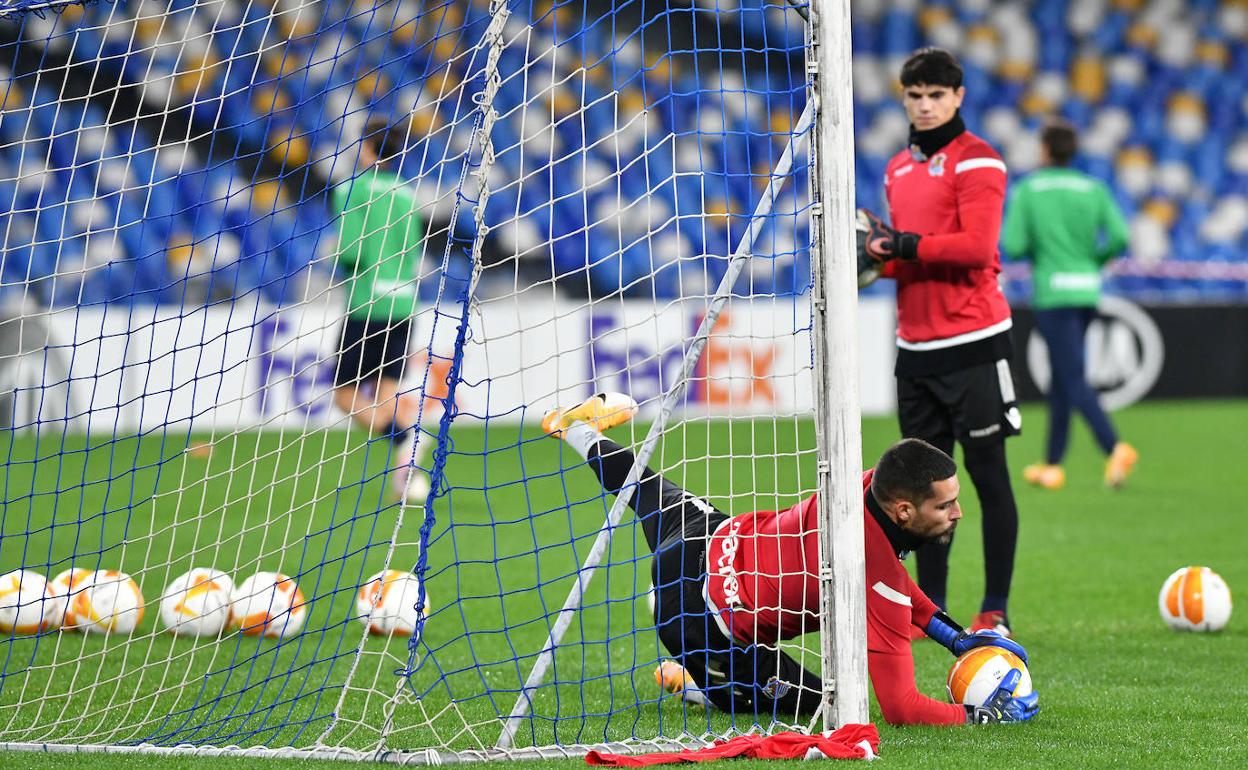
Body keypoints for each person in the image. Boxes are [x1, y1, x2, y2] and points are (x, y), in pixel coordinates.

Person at [541, 392, 1040, 726]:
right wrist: (978, 716)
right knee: (823, 705)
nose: (958, 512)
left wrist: (952, 636)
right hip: (694, 619)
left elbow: (893, 573)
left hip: (708, 539)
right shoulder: (878, 581)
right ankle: (697, 679)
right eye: (946, 505)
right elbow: (902, 708)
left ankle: (574, 429)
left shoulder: (866, 482)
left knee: (643, 487)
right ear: (904, 511)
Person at [855, 48, 1021, 636]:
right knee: (925, 489)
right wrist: (872, 261)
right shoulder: (898, 168)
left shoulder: (980, 162)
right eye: (914, 95)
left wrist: (896, 246)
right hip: (916, 350)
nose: (924, 105)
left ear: (958, 98)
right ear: (904, 98)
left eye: (936, 95)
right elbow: (916, 255)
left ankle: (994, 610)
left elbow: (975, 248)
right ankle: (933, 611)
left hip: (975, 341)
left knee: (988, 476)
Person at [1001, 119, 1138, 491]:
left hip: (1053, 291)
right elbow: (1121, 236)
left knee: (1071, 377)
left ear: (1045, 149)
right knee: (1064, 377)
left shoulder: (1029, 189)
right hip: (1087, 290)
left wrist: (1042, 249)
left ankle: (1114, 445)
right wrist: (1092, 259)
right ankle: (1052, 464)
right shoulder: (1092, 188)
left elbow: (1012, 245)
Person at [331, 118, 432, 504]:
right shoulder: (408, 195)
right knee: (387, 392)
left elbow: (352, 252)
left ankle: (405, 437)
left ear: (367, 149)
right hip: (405, 302)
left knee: (344, 396)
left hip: (366, 303)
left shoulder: (352, 191)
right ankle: (405, 469)